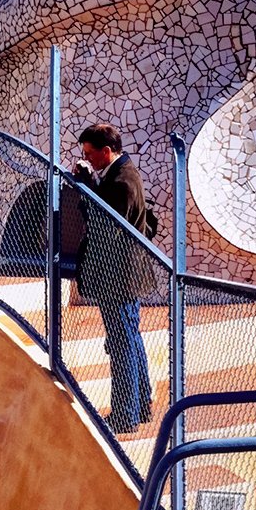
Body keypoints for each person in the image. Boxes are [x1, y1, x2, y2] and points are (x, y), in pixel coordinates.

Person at [71, 124, 160, 434]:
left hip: (119, 277)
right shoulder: (120, 175)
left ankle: (125, 415)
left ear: (106, 151)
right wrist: (93, 182)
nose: (87, 159)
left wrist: (85, 187)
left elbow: (104, 223)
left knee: (122, 344)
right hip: (122, 275)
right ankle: (140, 405)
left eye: (89, 154)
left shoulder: (122, 181)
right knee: (130, 339)